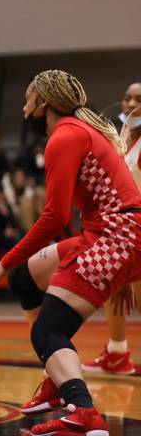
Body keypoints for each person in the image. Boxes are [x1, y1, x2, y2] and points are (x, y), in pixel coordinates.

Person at [0, 69, 141, 436]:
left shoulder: (65, 136)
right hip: (112, 234)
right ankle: (55, 377)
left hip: (115, 236)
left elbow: (54, 218)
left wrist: (1, 264)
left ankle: (83, 413)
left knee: (49, 330)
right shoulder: (79, 131)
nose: (23, 105)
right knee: (24, 281)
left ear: (43, 103)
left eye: (28, 98)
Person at [80, 81, 141, 376]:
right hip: (123, 230)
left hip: (136, 233)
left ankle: (118, 353)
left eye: (138, 100)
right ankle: (117, 353)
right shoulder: (122, 135)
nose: (130, 105)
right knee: (114, 290)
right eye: (127, 98)